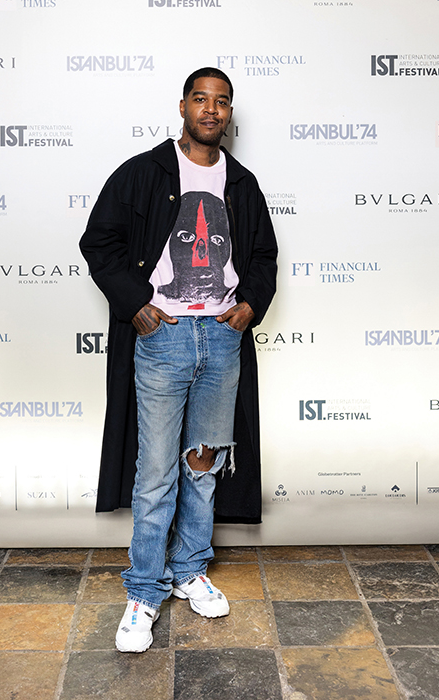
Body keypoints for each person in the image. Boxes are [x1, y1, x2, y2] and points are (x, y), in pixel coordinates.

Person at [80, 66, 278, 652]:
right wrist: (136, 304)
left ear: (229, 113)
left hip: (221, 336)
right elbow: (99, 242)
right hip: (163, 337)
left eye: (222, 101)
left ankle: (190, 569)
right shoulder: (145, 172)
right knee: (156, 471)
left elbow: (263, 256)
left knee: (203, 462)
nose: (211, 109)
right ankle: (145, 590)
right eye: (201, 98)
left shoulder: (241, 183)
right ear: (184, 106)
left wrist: (248, 306)